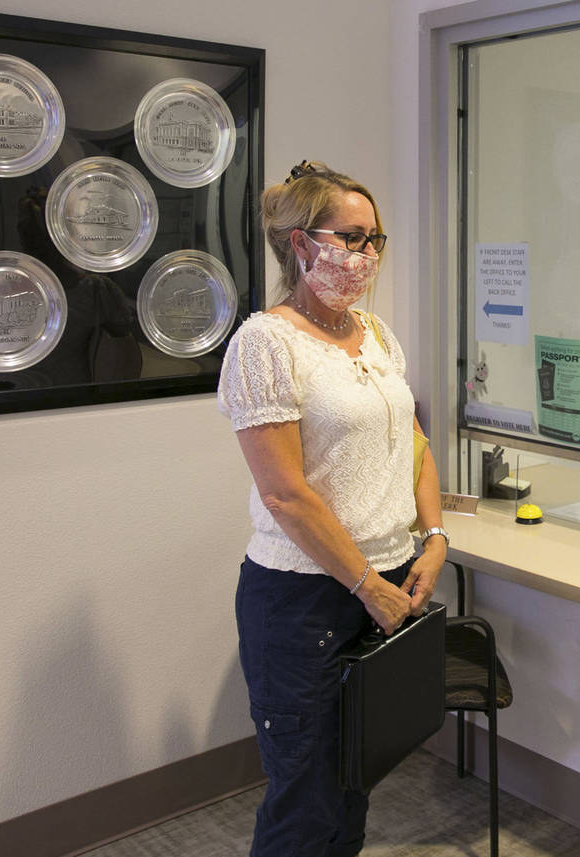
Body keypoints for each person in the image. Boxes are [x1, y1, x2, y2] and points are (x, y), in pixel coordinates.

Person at [216, 160, 448, 857]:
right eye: (349, 237)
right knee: (304, 800)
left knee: (353, 783)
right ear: (299, 244)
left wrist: (433, 536)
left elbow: (412, 440)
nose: (366, 253)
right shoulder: (266, 342)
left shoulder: (375, 333)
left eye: (375, 238)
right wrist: (366, 583)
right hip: (304, 601)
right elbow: (286, 493)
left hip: (382, 586)